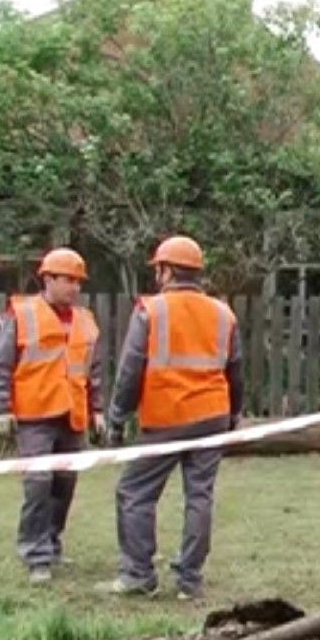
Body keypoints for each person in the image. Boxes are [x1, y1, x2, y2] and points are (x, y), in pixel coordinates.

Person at [102, 235, 243, 600]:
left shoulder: (151, 310)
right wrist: (234, 416)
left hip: (167, 416)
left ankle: (137, 575)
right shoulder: (223, 313)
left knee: (134, 491)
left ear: (166, 271)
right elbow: (235, 370)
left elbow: (130, 369)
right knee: (200, 497)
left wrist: (117, 418)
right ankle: (190, 580)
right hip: (212, 414)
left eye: (158, 269)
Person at [0, 247, 104, 585]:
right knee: (38, 485)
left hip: (73, 414)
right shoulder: (22, 314)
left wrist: (97, 409)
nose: (75, 287)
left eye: (79, 281)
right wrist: (1, 408)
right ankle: (35, 554)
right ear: (48, 279)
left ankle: (51, 542)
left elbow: (93, 371)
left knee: (64, 485)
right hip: (35, 414)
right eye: (68, 280)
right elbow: (0, 366)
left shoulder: (86, 320)